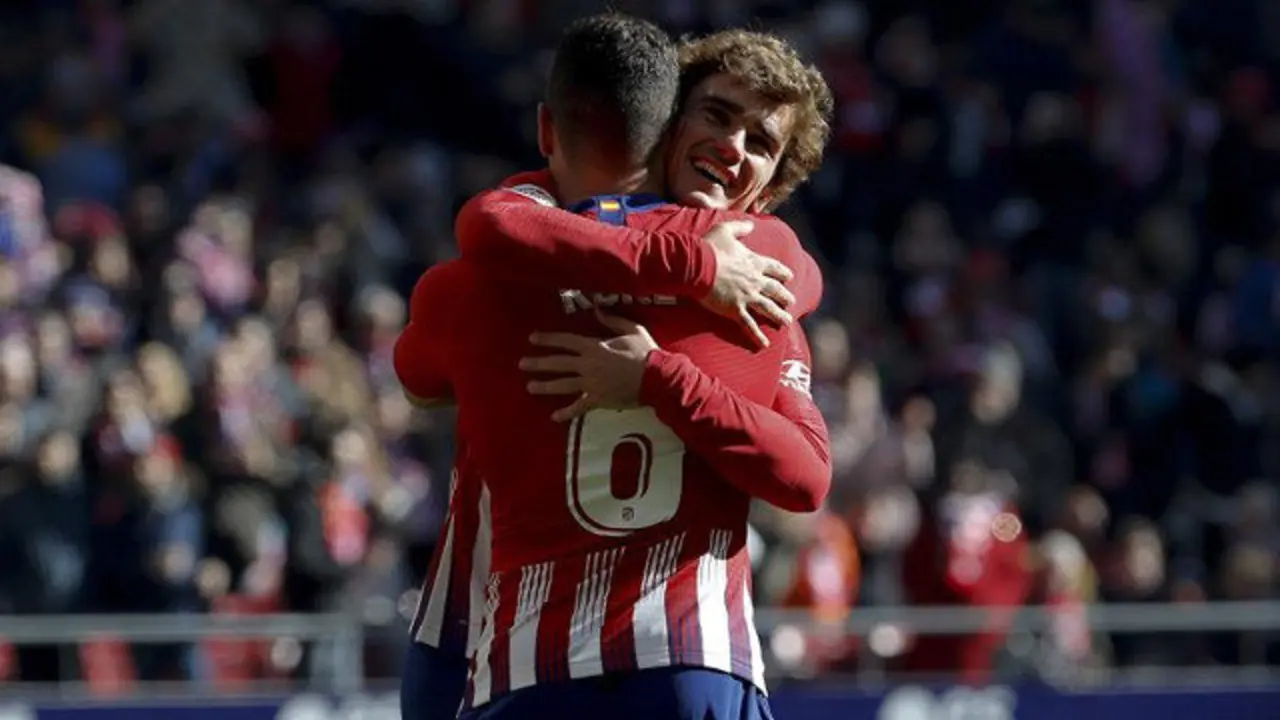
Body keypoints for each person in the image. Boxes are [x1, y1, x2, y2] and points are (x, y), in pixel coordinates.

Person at [397, 16, 834, 719]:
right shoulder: (764, 295)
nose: (732, 147)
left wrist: (655, 374)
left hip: (515, 661)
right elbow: (805, 475)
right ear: (664, 127)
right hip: (692, 663)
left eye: (760, 143)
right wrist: (694, 279)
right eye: (718, 116)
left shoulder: (474, 282)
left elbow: (421, 364)